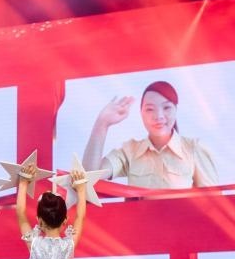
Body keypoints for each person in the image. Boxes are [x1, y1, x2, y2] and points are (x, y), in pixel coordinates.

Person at [82, 80, 218, 189]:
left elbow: (213, 203)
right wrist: (102, 124)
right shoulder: (129, 151)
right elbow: (88, 178)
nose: (158, 116)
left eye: (166, 107)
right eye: (150, 109)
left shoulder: (194, 149)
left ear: (176, 110)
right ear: (141, 113)